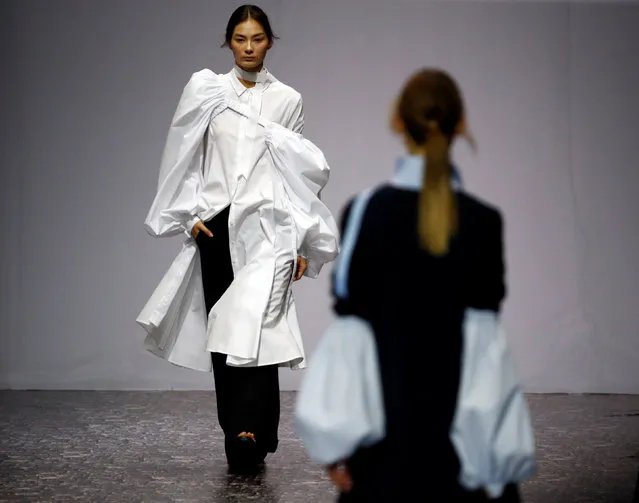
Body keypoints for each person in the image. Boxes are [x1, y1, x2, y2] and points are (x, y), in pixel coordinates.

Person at [294, 68, 536, 501]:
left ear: (397, 123)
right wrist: (493, 469)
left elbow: (351, 338)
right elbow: (487, 355)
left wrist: (333, 449)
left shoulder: (366, 212)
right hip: (465, 470)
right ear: (460, 125)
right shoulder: (483, 222)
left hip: (384, 465)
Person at [136, 4, 339, 472]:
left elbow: (299, 175)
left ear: (270, 42)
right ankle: (238, 431)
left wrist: (305, 241)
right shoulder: (207, 91)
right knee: (226, 333)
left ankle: (255, 430)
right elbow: (184, 154)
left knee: (260, 326)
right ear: (228, 41)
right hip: (216, 225)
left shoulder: (288, 99)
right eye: (240, 39)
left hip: (268, 226)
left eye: (258, 39)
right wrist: (188, 216)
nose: (249, 48)